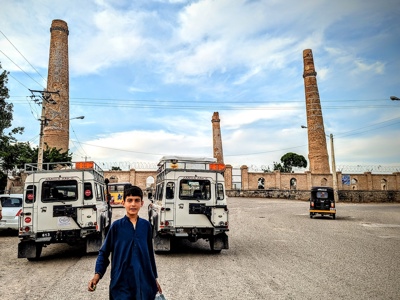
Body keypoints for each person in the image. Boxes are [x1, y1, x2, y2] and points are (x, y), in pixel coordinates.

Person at [88, 186, 162, 299]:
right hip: (121, 283)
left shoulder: (146, 226)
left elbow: (150, 255)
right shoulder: (116, 227)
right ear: (123, 203)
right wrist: (97, 275)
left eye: (137, 200)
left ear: (142, 203)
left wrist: (154, 279)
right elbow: (104, 252)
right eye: (129, 200)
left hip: (143, 282)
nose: (133, 204)